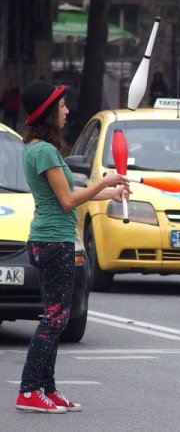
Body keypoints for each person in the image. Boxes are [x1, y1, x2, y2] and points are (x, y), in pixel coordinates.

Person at [15, 79, 130, 414]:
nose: (67, 110)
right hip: (54, 241)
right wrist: (103, 182)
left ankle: (46, 388)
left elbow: (69, 193)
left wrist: (111, 192)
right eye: (62, 105)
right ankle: (28, 390)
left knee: (59, 317)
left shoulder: (38, 149)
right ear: (50, 112)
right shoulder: (45, 151)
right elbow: (68, 200)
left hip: (49, 239)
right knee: (54, 318)